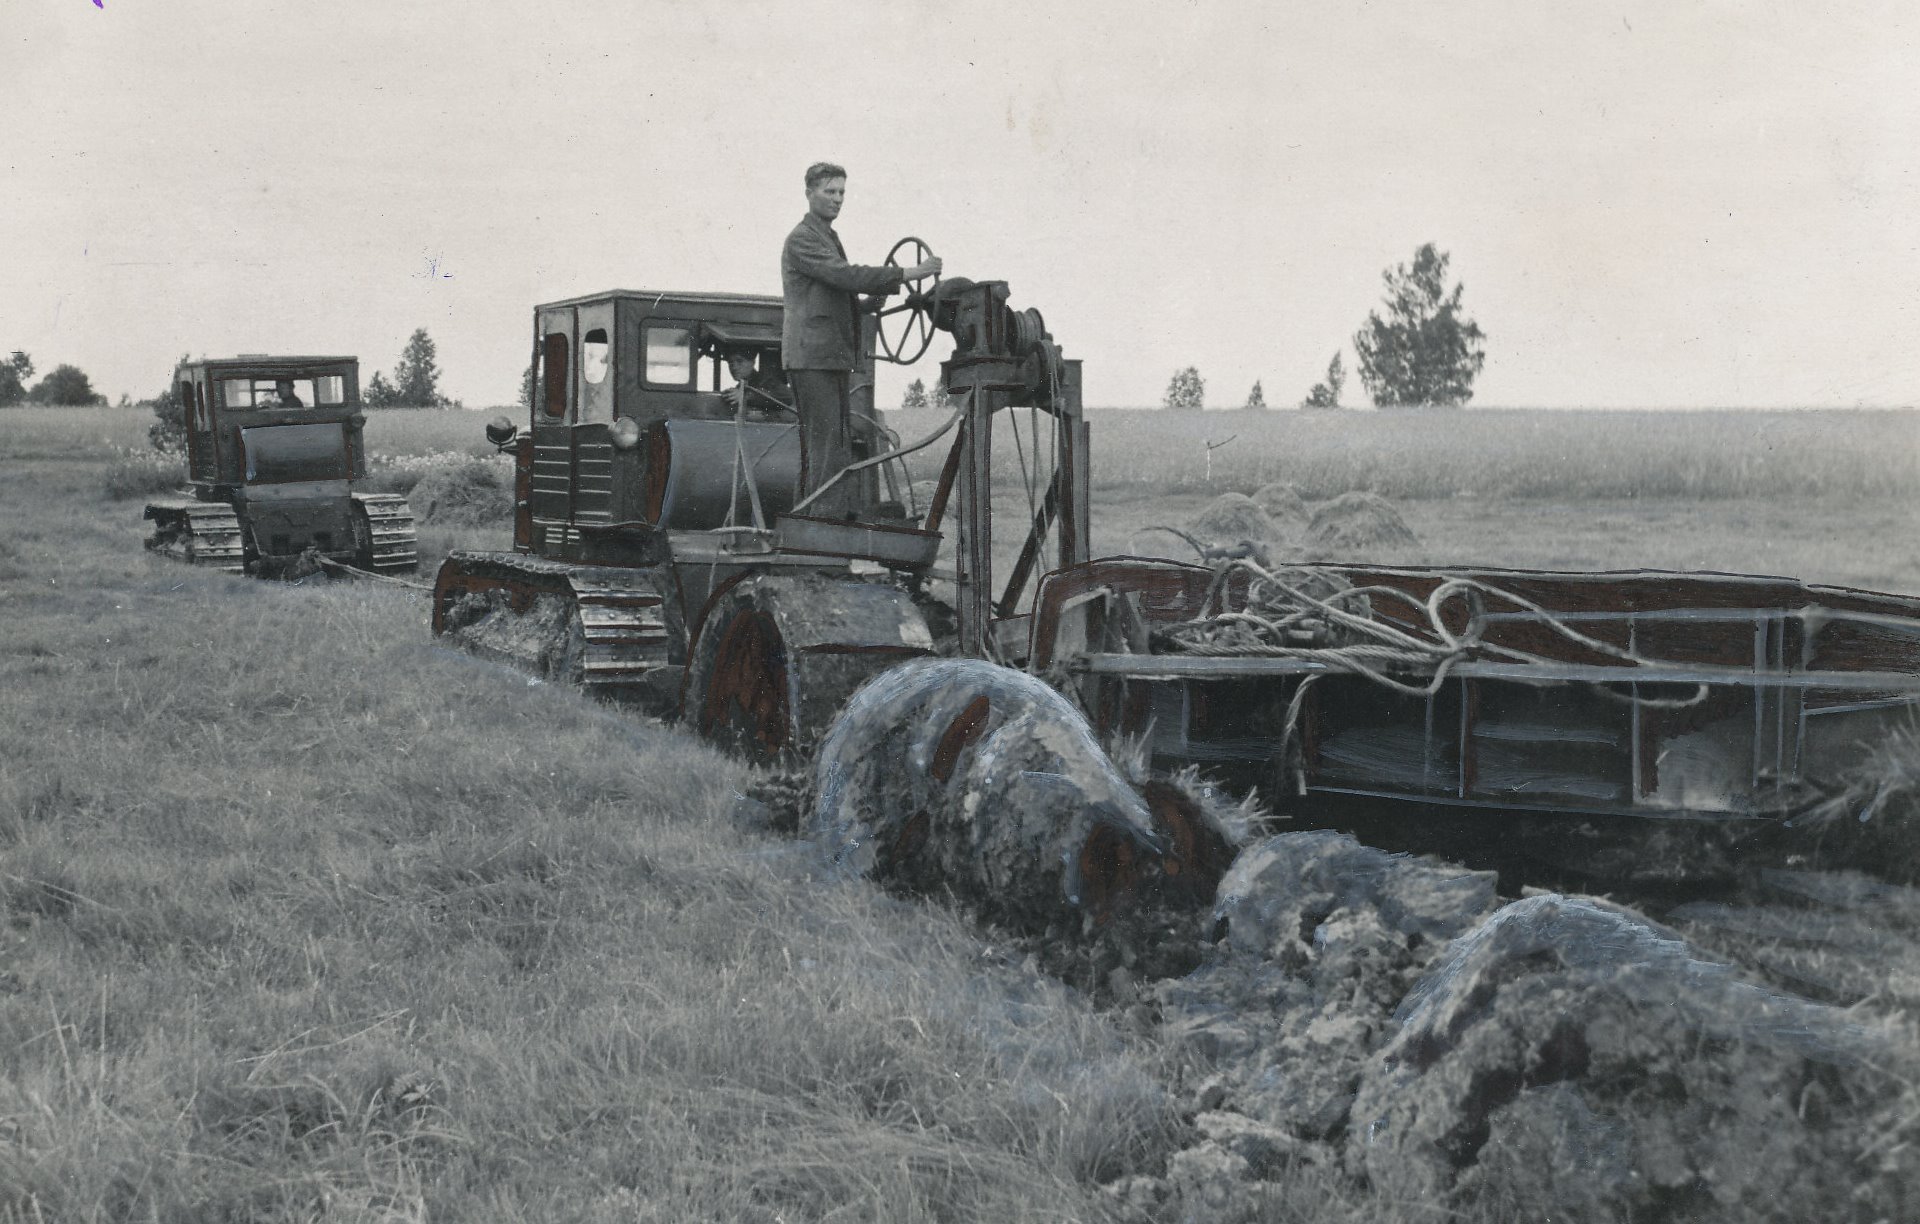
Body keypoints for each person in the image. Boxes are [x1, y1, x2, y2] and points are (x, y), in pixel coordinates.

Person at [781, 161, 939, 518]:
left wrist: (868, 305)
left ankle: (811, 527)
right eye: (829, 192)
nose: (837, 200)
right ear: (809, 193)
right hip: (813, 358)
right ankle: (819, 531)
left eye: (841, 193)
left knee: (828, 446)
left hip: (827, 357)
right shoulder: (803, 239)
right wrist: (907, 274)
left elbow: (833, 292)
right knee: (825, 449)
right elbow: (844, 275)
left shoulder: (827, 237)